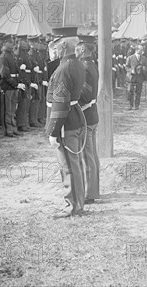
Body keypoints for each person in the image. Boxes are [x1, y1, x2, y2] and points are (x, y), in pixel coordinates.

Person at [46, 26, 87, 219]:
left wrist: (54, 131)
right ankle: (78, 203)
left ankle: (73, 205)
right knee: (75, 165)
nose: (52, 49)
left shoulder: (63, 69)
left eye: (55, 45)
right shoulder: (76, 64)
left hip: (66, 123)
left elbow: (60, 103)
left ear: (63, 46)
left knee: (68, 167)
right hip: (75, 118)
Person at [76, 36, 100, 205]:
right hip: (92, 114)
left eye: (78, 47)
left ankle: (90, 193)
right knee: (92, 155)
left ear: (83, 49)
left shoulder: (83, 67)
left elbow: (85, 94)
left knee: (87, 155)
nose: (76, 50)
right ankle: (93, 190)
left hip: (85, 115)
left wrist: (72, 99)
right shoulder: (91, 64)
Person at [0, 40, 22, 137]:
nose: (11, 44)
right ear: (4, 44)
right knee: (7, 110)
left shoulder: (12, 55)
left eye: (12, 42)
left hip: (14, 85)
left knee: (12, 109)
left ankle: (13, 127)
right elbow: (5, 75)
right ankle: (8, 130)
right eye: (8, 42)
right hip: (7, 86)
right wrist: (15, 84)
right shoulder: (3, 57)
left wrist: (17, 83)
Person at [126, 45, 147, 110]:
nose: (142, 51)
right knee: (130, 91)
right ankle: (130, 105)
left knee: (138, 91)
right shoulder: (130, 57)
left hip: (140, 77)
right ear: (137, 50)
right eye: (141, 50)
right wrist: (131, 70)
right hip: (131, 77)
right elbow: (126, 66)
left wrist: (144, 68)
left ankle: (137, 105)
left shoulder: (144, 58)